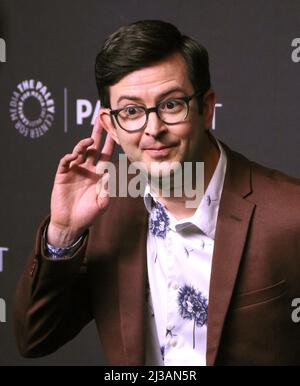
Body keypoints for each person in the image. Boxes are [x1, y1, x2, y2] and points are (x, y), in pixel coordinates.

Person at [14, 20, 300, 366]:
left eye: (171, 105)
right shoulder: (106, 211)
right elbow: (35, 337)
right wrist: (64, 232)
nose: (153, 129)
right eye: (131, 111)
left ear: (206, 107)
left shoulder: (289, 214)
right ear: (111, 126)